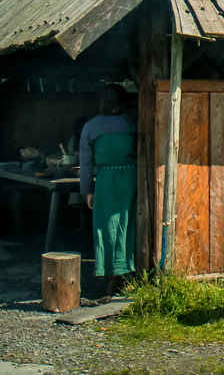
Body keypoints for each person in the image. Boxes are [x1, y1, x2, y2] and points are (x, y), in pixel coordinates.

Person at [79, 86, 136, 297]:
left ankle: (111, 275)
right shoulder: (133, 122)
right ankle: (128, 271)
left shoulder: (91, 127)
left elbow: (85, 164)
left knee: (106, 227)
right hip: (132, 179)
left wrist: (88, 190)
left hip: (106, 182)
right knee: (130, 225)